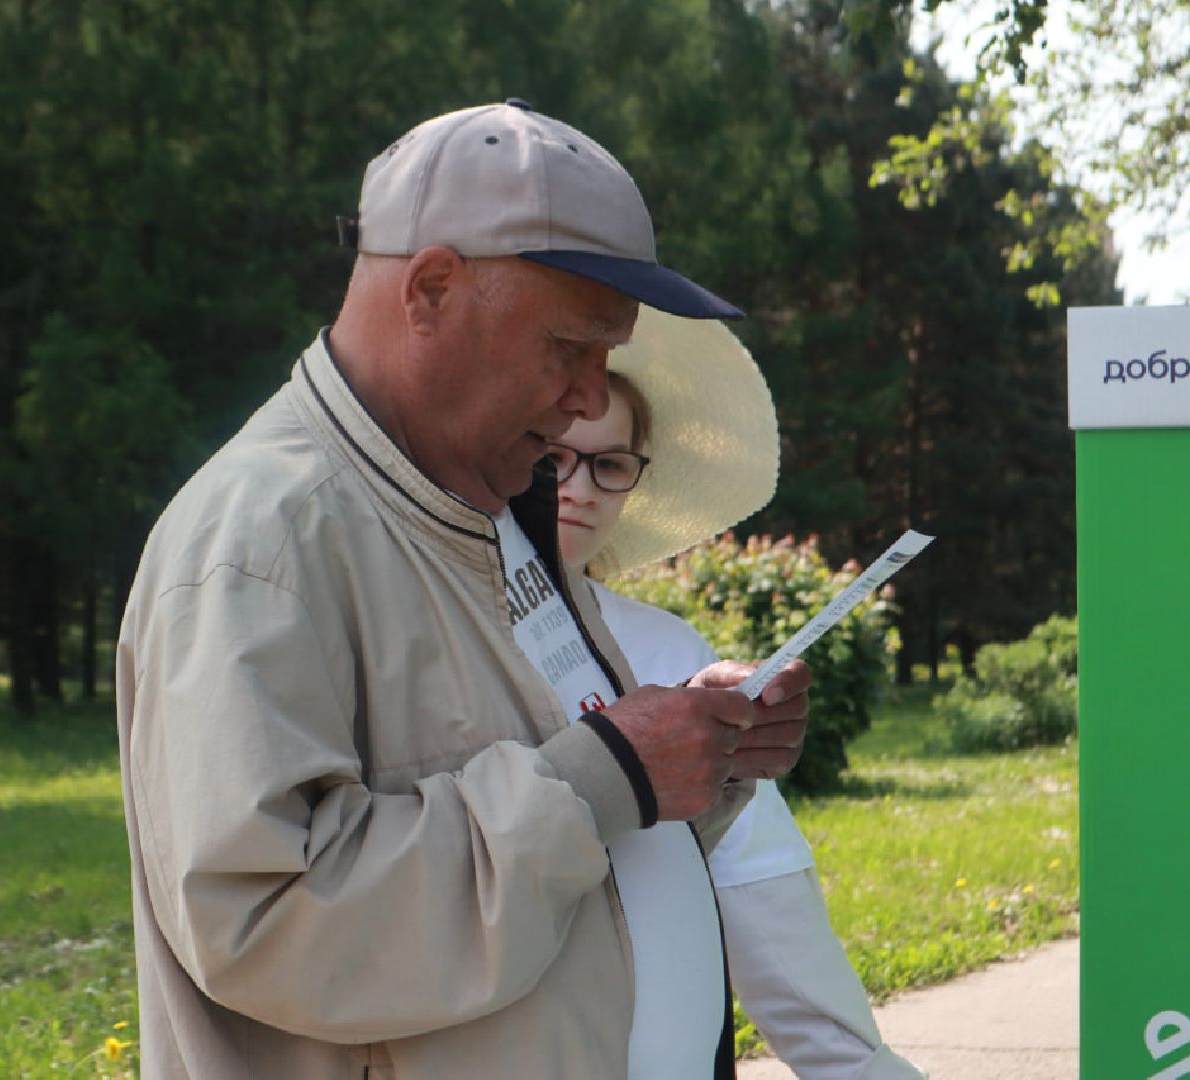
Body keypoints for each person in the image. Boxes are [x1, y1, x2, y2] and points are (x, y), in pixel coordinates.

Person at [115, 100, 812, 1079]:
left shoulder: (482, 514)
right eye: (568, 347)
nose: (585, 397)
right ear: (432, 287)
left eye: (606, 356)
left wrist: (696, 763)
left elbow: (571, 833)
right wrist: (610, 769)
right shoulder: (265, 535)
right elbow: (266, 921)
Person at [549, 307, 925, 1079]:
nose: (579, 488)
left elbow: (765, 904)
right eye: (553, 458)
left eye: (609, 464)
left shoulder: (670, 651)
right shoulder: (424, 639)